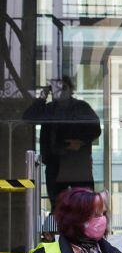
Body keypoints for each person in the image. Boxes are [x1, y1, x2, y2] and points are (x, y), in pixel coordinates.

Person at [22, 76, 101, 211]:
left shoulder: (81, 107)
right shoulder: (50, 108)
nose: (60, 92)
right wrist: (42, 97)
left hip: (77, 165)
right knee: (57, 205)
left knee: (84, 205)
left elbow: (95, 129)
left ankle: (81, 231)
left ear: (71, 89)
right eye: (56, 89)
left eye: (63, 88)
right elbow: (28, 118)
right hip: (55, 164)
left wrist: (80, 142)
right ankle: (59, 230)